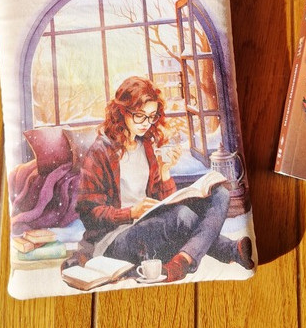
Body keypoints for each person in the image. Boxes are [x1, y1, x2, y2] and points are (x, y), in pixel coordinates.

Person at [75, 75, 254, 283]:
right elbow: (89, 213)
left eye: (151, 116)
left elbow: (164, 204)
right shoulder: (100, 151)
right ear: (122, 111)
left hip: (150, 224)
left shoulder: (146, 146)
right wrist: (130, 212)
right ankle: (229, 250)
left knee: (220, 194)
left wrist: (165, 173)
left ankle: (184, 261)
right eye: (140, 116)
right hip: (114, 239)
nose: (146, 123)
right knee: (183, 217)